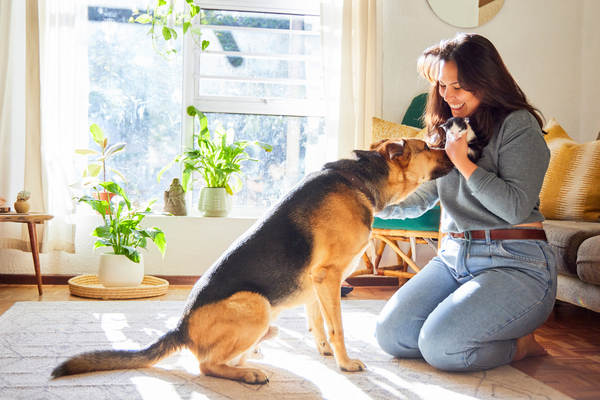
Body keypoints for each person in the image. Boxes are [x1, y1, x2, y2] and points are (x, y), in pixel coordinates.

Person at [374, 33, 556, 372]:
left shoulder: (519, 126)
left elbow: (515, 207)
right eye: (443, 85)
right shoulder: (447, 130)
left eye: (459, 86)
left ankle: (520, 345)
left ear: (486, 81)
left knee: (442, 348)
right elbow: (423, 198)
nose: (449, 96)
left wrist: (464, 163)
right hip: (454, 256)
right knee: (391, 335)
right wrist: (368, 203)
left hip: (516, 262)